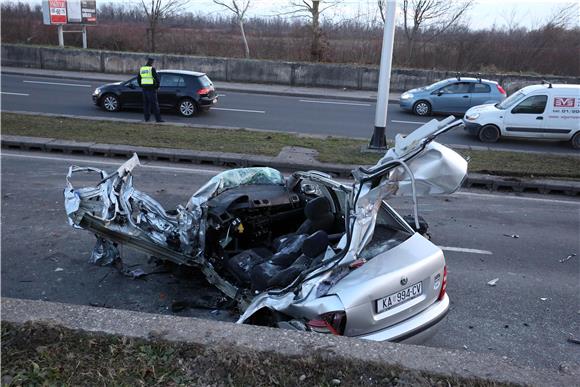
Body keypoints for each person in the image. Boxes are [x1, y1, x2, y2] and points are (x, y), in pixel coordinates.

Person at [138, 57, 164, 123]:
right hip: (151, 90)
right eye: (153, 62)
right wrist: (157, 87)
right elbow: (157, 79)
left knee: (146, 105)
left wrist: (142, 86)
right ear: (151, 62)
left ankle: (147, 119)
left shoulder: (142, 69)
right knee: (155, 105)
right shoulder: (152, 69)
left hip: (144, 89)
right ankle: (158, 119)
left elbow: (138, 79)